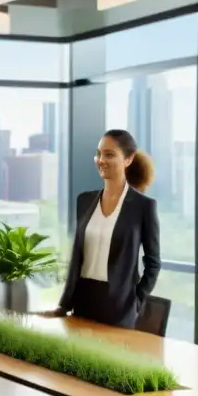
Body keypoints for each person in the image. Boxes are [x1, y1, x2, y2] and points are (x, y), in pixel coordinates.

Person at [42, 129, 161, 328]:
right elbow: (77, 256)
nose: (101, 160)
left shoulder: (143, 206)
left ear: (128, 160)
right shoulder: (85, 200)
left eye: (109, 155)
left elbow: (153, 263)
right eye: (99, 153)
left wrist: (136, 300)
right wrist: (64, 304)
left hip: (118, 306)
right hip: (82, 300)